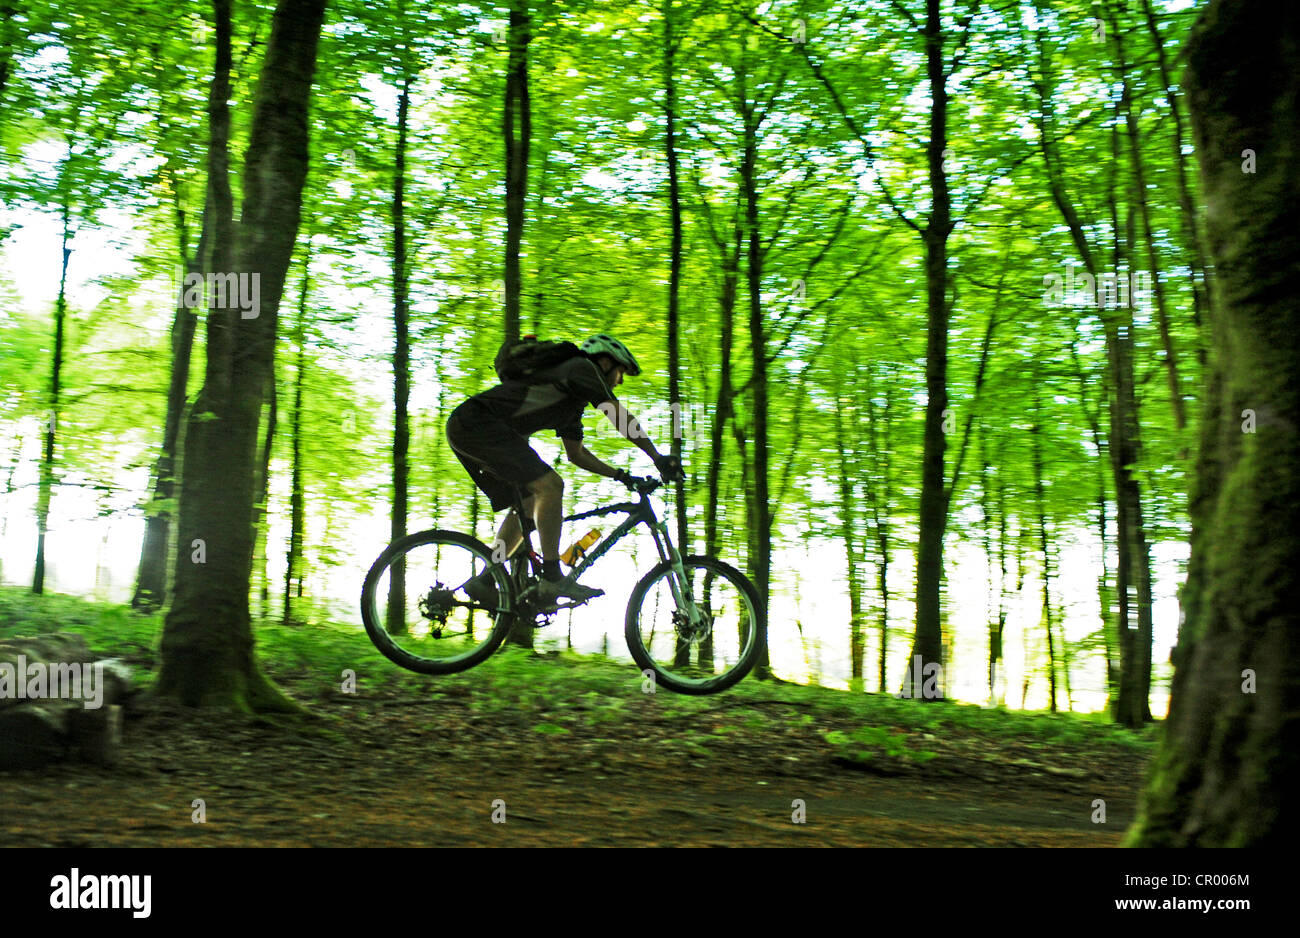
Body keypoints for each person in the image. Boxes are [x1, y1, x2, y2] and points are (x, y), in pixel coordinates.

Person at [445, 334, 680, 607]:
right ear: (604, 362)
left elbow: (576, 454)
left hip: (469, 428)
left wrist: (621, 475)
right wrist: (656, 457)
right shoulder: (582, 368)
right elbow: (617, 415)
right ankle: (553, 575)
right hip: (478, 425)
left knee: (531, 501)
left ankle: (486, 578)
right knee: (550, 486)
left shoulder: (570, 402)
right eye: (621, 371)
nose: (621, 381)